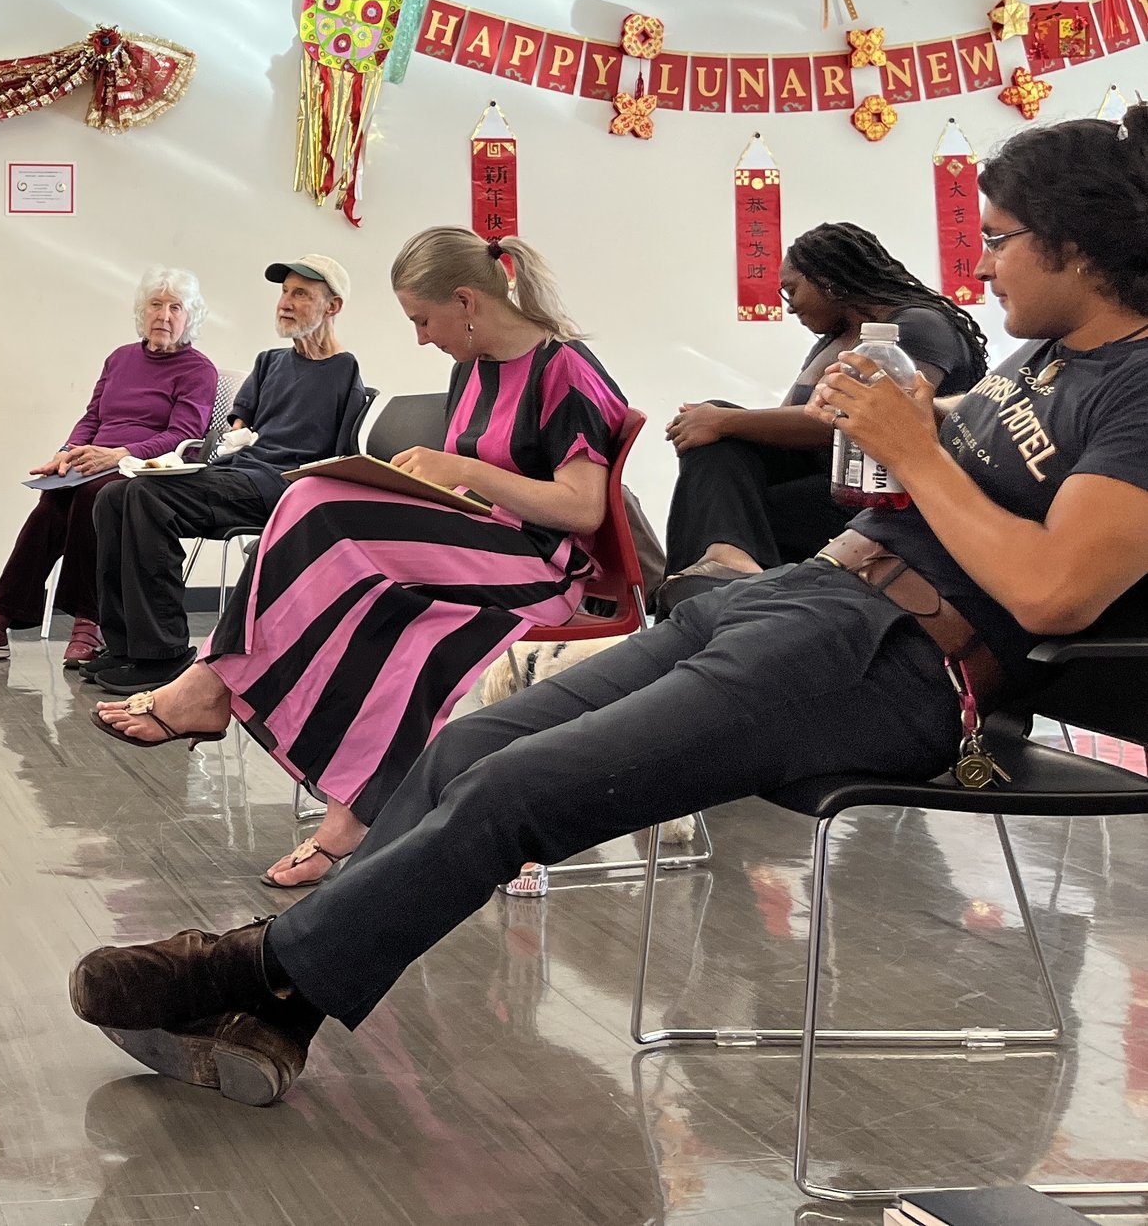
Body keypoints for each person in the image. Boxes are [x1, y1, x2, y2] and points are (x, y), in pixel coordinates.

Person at [67, 104, 1148, 1109]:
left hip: (896, 659)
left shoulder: (1141, 385)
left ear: (1075, 244)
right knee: (466, 746)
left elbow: (1057, 589)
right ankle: (285, 1002)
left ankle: (251, 971)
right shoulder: (1053, 352)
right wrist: (919, 413)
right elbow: (991, 443)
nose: (980, 263)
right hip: (806, 597)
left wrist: (916, 450)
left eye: (999, 239)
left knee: (516, 791)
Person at [94, 229, 628, 890]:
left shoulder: (564, 367)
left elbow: (584, 508)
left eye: (423, 320)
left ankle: (215, 685)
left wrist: (463, 471)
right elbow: (476, 490)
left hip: (539, 568)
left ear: (466, 302)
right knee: (315, 504)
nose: (421, 338)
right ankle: (320, 780)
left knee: (317, 504)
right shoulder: (473, 366)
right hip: (479, 545)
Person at [83, 254, 367, 695]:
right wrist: (223, 445)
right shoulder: (269, 361)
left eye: (300, 294)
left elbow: (343, 454)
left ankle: (163, 653)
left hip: (280, 487)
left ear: (332, 307)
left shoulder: (344, 370)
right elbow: (237, 427)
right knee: (114, 495)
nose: (285, 303)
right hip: (236, 473)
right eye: (284, 292)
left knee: (144, 497)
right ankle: (125, 646)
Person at [663, 222, 986, 596]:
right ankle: (728, 559)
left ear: (828, 281)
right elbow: (792, 419)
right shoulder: (835, 338)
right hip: (828, 479)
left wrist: (726, 421)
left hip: (882, 490)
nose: (790, 306)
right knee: (716, 447)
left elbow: (865, 418)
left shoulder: (916, 326)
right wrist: (719, 421)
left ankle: (707, 585)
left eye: (792, 290)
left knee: (720, 501)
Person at [0, 268, 220, 668]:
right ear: (143, 311)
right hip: (97, 461)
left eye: (176, 307)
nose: (164, 315)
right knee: (53, 501)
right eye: (156, 304)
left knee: (90, 495)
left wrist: (119, 454)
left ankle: (90, 621)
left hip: (147, 469)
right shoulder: (119, 358)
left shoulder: (198, 369)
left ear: (191, 316)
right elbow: (92, 417)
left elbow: (183, 435)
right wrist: (66, 452)